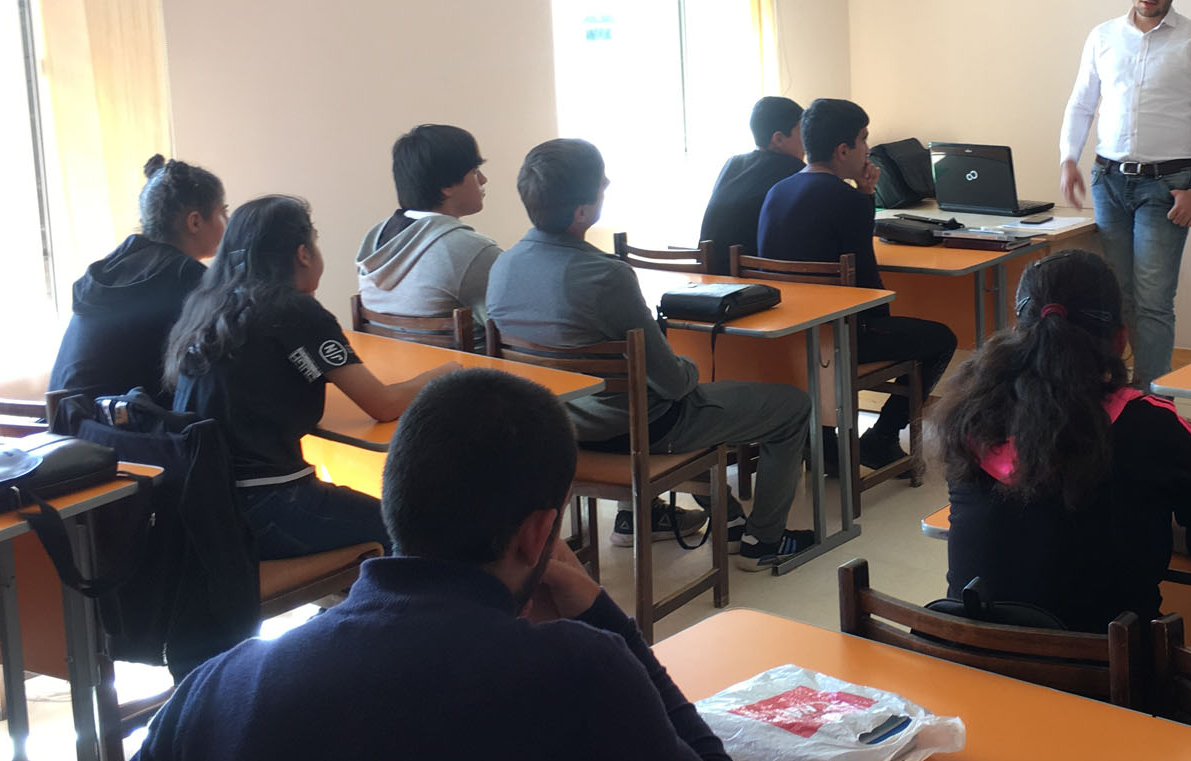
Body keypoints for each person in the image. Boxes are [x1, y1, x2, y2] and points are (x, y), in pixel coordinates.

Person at [0, 369, 797, 761]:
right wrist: (605, 622)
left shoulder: (215, 692)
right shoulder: (575, 669)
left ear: (393, 500)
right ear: (537, 534)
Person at [487, 140, 817, 571]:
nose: (607, 183)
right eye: (601, 183)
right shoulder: (607, 276)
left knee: (678, 402)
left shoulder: (502, 266)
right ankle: (764, 541)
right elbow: (674, 383)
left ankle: (718, 519)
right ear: (581, 213)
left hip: (562, 426)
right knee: (790, 406)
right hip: (637, 430)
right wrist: (691, 366)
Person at [932, 249, 1191, 632]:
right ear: (1119, 340)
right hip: (1104, 666)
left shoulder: (972, 413)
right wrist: (1173, 530)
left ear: (1018, 333)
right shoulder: (1149, 422)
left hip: (969, 658)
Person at [167, 195, 452, 558]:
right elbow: (383, 405)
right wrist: (446, 373)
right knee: (413, 531)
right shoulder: (293, 310)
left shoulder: (207, 306)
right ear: (303, 254)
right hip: (268, 504)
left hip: (208, 508)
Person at [1059, 0, 1191, 387]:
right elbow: (1081, 104)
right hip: (1109, 180)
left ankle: (1154, 403)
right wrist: (1068, 158)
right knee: (1116, 299)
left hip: (1168, 187)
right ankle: (1120, 395)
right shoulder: (1103, 37)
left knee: (1154, 302)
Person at [757, 99, 957, 470]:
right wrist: (863, 197)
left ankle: (828, 444)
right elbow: (867, 286)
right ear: (843, 150)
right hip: (839, 338)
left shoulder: (777, 191)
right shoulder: (845, 199)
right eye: (863, 139)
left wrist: (863, 194)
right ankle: (881, 437)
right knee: (942, 338)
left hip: (789, 335)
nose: (868, 148)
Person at [49, 156, 227, 401]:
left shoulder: (118, 265)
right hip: (114, 422)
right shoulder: (185, 276)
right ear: (195, 221)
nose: (227, 223)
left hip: (68, 417)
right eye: (222, 212)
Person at [356, 123, 501, 338]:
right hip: (462, 361)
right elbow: (512, 325)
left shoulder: (375, 238)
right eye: (475, 171)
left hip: (389, 358)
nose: (483, 180)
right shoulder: (470, 249)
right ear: (446, 185)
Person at [698, 96, 805, 270]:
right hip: (747, 278)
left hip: (707, 273)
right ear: (778, 139)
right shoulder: (792, 167)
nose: (805, 142)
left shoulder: (733, 163)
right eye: (801, 132)